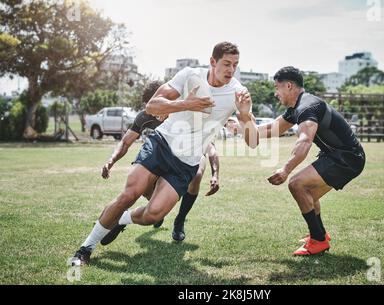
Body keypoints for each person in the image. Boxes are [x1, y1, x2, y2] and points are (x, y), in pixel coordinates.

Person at [71, 41, 259, 265]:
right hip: (162, 143)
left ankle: (122, 219)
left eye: (235, 65)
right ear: (212, 62)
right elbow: (152, 106)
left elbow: (254, 142)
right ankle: (84, 249)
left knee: (154, 214)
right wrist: (186, 104)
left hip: (187, 162)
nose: (231, 70)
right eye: (226, 63)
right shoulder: (190, 75)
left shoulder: (238, 93)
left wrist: (246, 116)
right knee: (129, 194)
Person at [259, 66, 365, 256]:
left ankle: (318, 240)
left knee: (297, 184)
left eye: (277, 88)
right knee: (308, 193)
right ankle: (319, 234)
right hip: (339, 155)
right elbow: (271, 129)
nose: (275, 93)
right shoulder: (295, 108)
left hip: (347, 158)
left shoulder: (307, 106)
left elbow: (305, 141)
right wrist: (242, 128)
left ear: (289, 86)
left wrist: (285, 169)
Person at [100, 81, 220, 242]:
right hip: (164, 154)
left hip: (191, 156)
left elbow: (210, 147)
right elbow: (126, 141)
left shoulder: (185, 114)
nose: (158, 113)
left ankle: (179, 221)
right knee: (143, 181)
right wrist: (111, 160)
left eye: (161, 106)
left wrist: (215, 174)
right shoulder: (146, 116)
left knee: (197, 174)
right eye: (154, 108)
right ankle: (149, 212)